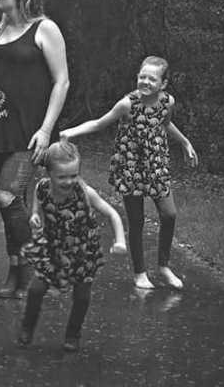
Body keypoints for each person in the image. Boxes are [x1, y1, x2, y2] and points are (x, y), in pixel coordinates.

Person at [59, 55, 198, 290]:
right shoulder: (127, 104)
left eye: (151, 79)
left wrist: (185, 143)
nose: (145, 82)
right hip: (130, 166)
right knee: (137, 221)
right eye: (142, 77)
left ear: (163, 84)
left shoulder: (168, 102)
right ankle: (140, 273)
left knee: (169, 214)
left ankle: (163, 266)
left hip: (156, 164)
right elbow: (98, 123)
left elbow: (165, 123)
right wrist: (69, 133)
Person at [0, 0, 70, 298]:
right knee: (13, 203)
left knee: (6, 197)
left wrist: (47, 130)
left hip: (29, 132)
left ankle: (41, 269)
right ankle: (15, 273)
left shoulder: (45, 29)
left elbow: (62, 82)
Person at [17, 140, 126, 352]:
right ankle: (27, 328)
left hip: (82, 251)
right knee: (36, 289)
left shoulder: (85, 192)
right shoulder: (42, 188)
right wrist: (34, 215)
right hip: (53, 248)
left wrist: (120, 239)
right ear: (48, 173)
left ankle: (73, 334)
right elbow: (37, 202)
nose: (69, 181)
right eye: (62, 176)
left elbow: (113, 214)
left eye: (73, 175)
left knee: (82, 295)